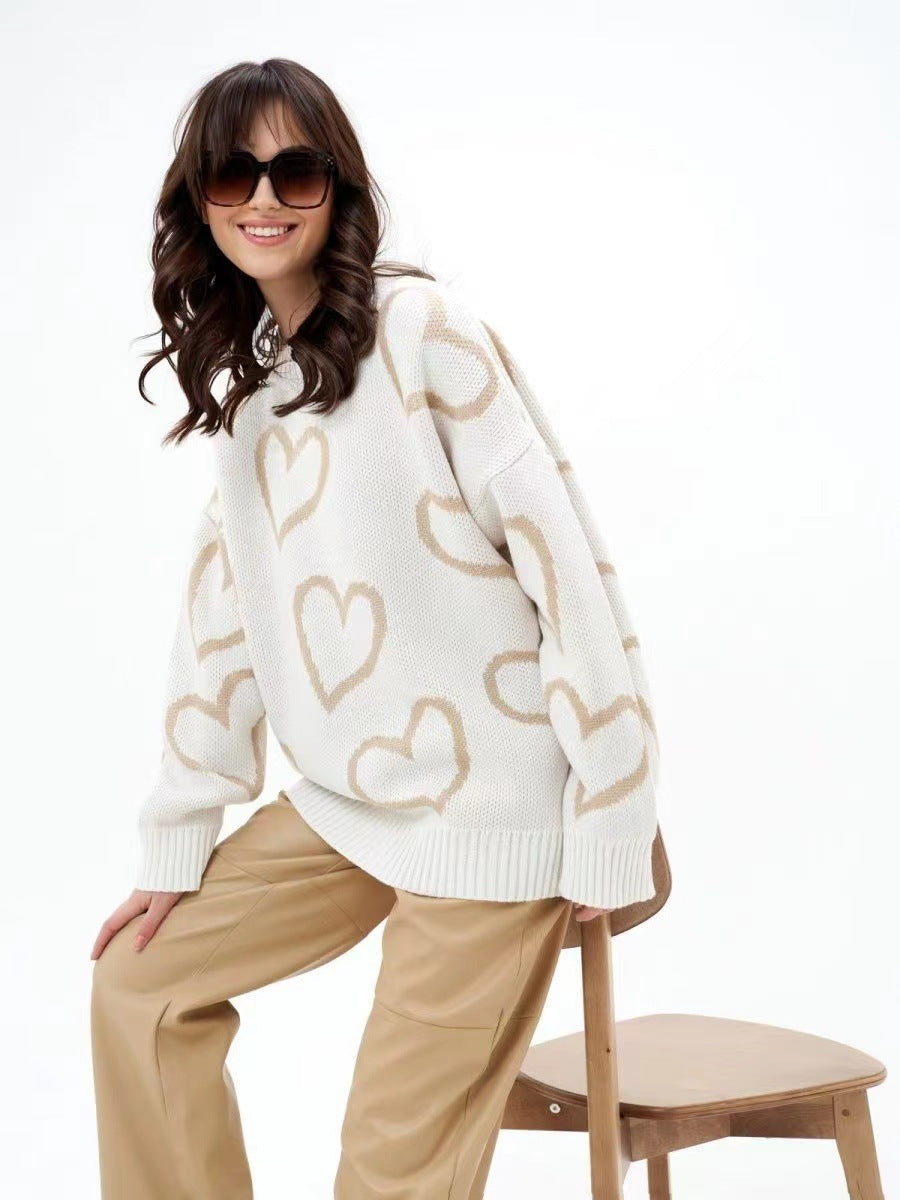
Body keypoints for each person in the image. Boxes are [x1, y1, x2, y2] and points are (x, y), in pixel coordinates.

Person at [89, 56, 662, 1200]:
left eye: (294, 172)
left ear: (337, 189)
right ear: (199, 199)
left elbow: (568, 572)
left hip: (491, 808)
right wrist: (176, 842)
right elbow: (221, 633)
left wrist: (613, 808)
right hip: (351, 805)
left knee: (385, 1176)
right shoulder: (252, 396)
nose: (264, 199)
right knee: (138, 988)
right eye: (232, 175)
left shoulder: (424, 332)